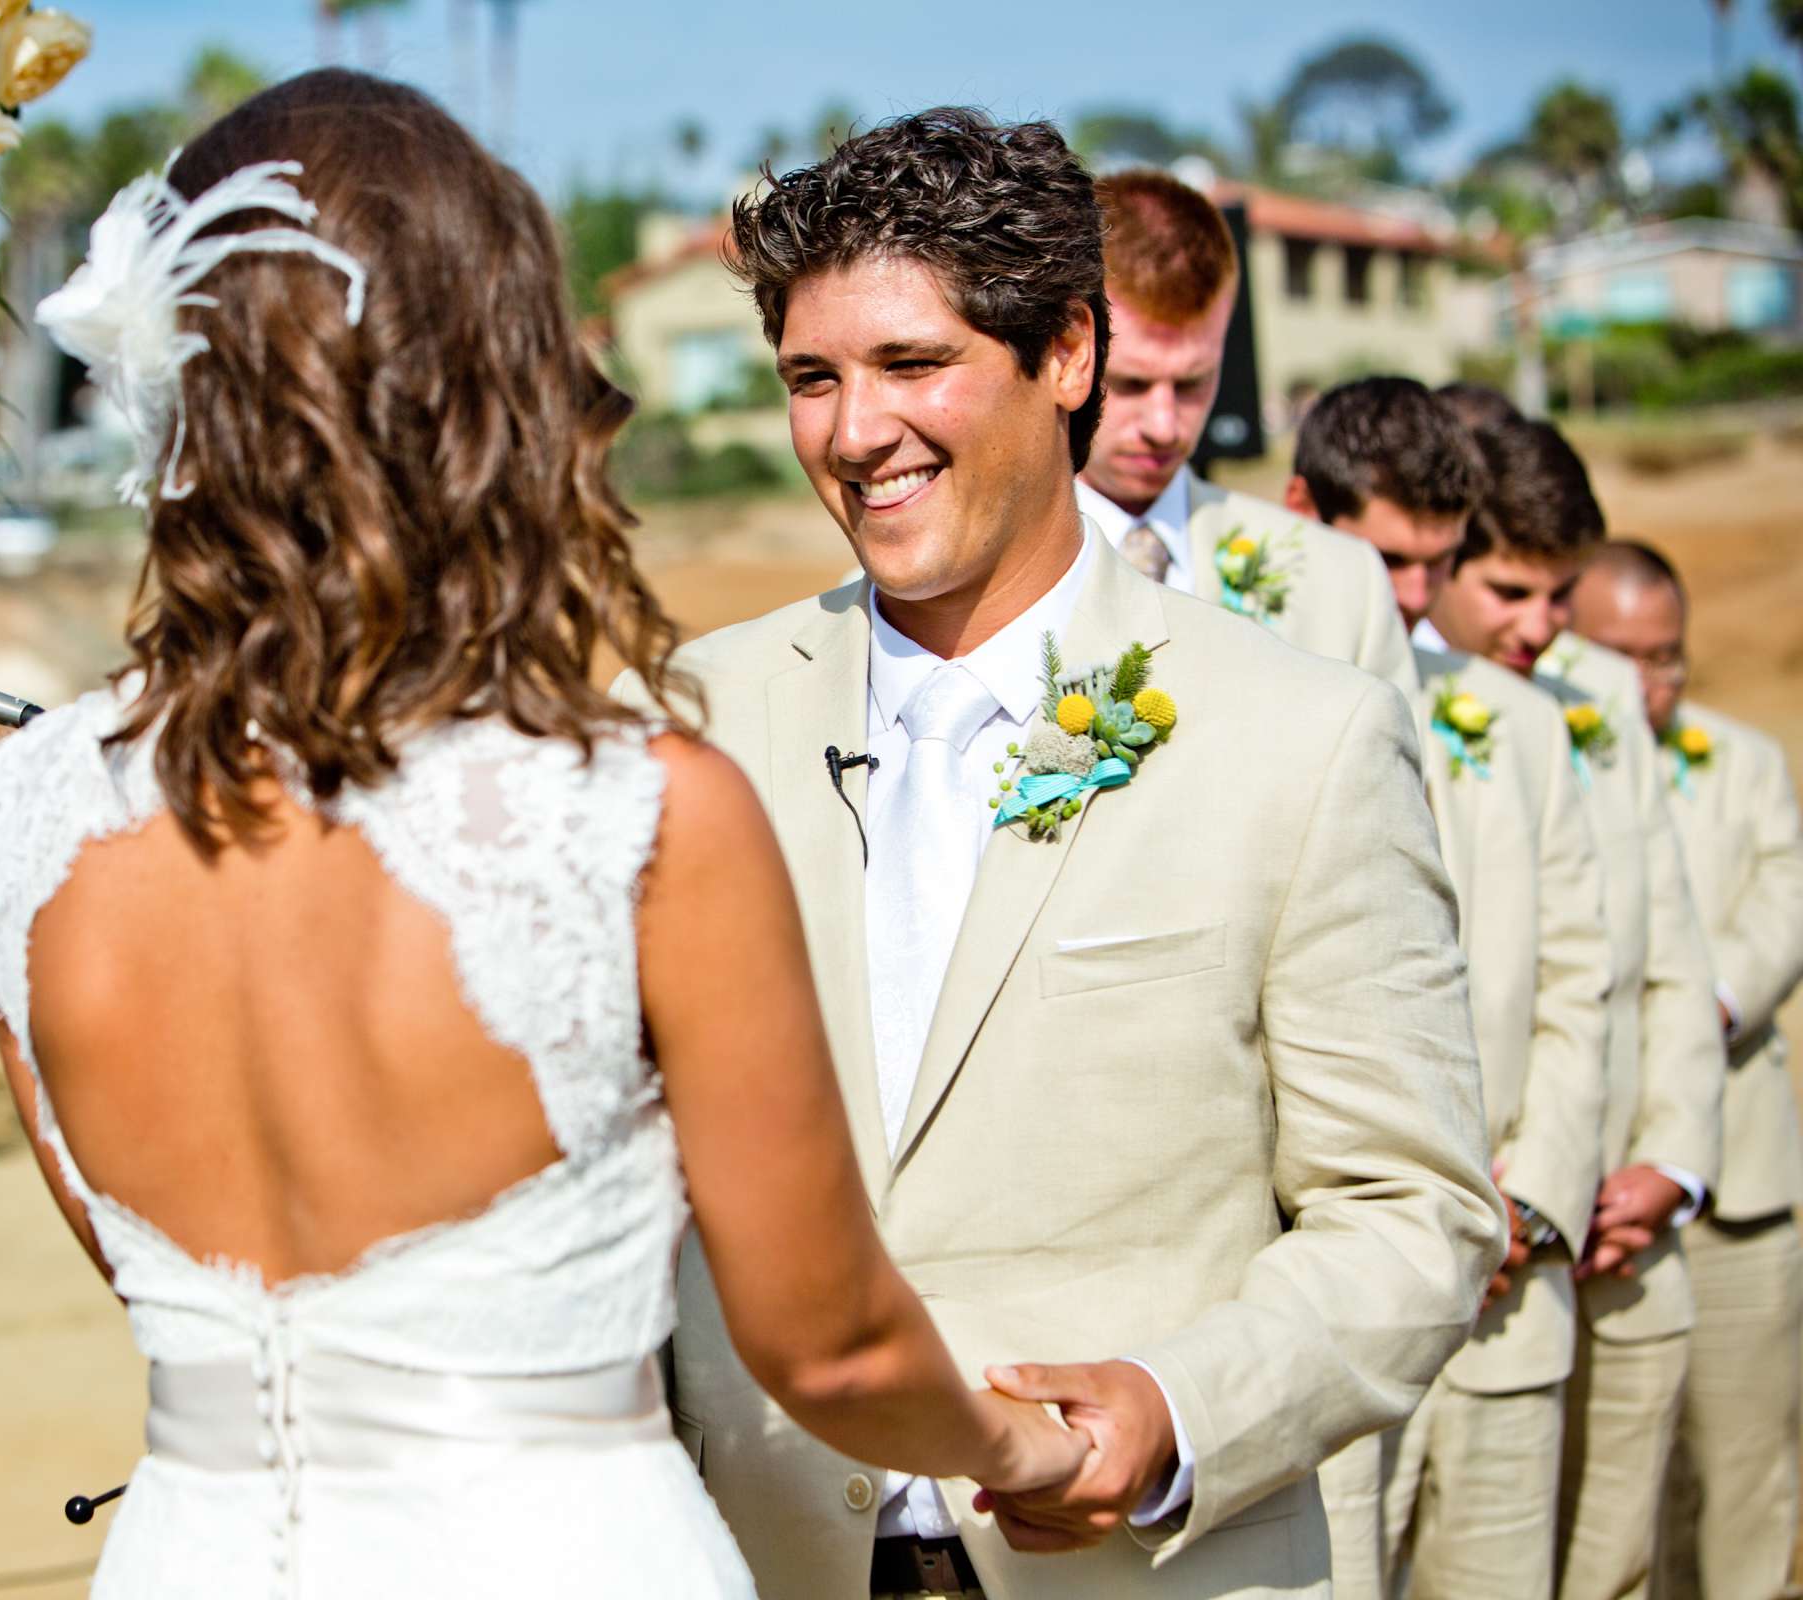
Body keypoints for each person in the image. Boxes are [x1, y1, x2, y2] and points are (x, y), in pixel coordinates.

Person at [0, 70, 1088, 1600]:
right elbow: (825, 1343)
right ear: (491, 383)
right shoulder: (633, 811)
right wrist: (1025, 1453)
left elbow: (147, 1271)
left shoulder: (32, 809)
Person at [618, 109, 1503, 1600]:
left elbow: (1414, 1217)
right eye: (812, 380)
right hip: (759, 1560)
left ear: (1070, 357)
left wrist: (1179, 1411)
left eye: (914, 365)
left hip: (1147, 1564)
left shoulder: (1305, 734)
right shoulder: (684, 721)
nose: (852, 433)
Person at [1285, 377, 1610, 1598]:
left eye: (1436, 567)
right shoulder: (1253, 717)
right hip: (1329, 1305)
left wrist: (1528, 1200)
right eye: (1387, 562)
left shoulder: (1515, 724)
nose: (1409, 600)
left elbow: (1582, 974)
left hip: (1506, 1286)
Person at [1423, 416, 1723, 1600]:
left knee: (1611, 1558)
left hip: (1603, 1221)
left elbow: (1663, 947)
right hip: (1464, 1231)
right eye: (1510, 590)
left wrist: (1669, 1158)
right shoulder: (1365, 679)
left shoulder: (1595, 696)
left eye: (1560, 594)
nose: (1539, 630)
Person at [1571, 540, 1803, 1600]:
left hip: (1739, 1195)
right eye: (1622, 656)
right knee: (1613, 1489)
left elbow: (1782, 910)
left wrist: (1695, 1007)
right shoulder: (1538, 757)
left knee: (1746, 1467)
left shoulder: (1744, 760)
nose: (1648, 684)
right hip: (1597, 1195)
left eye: (1667, 658)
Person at [1072, 169, 1413, 694]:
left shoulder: (1343, 584)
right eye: (1132, 383)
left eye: (1193, 383)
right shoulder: (978, 572)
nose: (1164, 427)